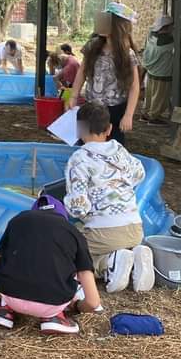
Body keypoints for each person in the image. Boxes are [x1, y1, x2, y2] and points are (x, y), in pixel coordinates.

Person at [64, 102, 154, 293]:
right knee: (117, 243)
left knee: (73, 254)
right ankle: (136, 255)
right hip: (135, 229)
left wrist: (67, 205)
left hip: (103, 233)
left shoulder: (79, 159)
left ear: (79, 130)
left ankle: (108, 263)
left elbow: (79, 207)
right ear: (110, 129)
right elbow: (139, 174)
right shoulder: (120, 150)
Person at [0, 194, 103, 335]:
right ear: (63, 217)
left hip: (10, 294)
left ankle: (3, 309)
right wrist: (77, 306)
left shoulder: (18, 220)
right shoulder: (74, 233)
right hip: (54, 302)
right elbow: (93, 302)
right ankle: (55, 317)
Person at [70, 3, 140, 145]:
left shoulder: (128, 54)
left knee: (113, 147)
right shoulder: (92, 46)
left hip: (115, 110)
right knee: (84, 144)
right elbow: (82, 72)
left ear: (117, 26)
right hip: (90, 107)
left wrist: (128, 115)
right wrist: (73, 96)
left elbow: (134, 86)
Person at [141, 15, 175, 123]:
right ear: (167, 27)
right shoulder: (168, 41)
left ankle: (145, 114)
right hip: (162, 74)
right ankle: (153, 118)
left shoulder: (151, 37)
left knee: (150, 96)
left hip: (151, 73)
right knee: (159, 98)